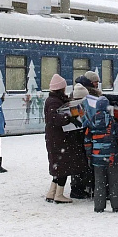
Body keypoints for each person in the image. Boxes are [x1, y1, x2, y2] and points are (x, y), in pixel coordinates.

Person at [44, 74, 88, 204]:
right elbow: (54, 118)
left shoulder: (55, 99)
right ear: (61, 88)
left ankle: (51, 193)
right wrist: (68, 118)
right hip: (59, 138)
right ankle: (59, 195)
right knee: (63, 166)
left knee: (58, 167)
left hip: (57, 138)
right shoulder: (53, 101)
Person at [84, 96, 118, 213]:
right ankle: (117, 206)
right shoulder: (112, 122)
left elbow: (87, 141)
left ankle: (99, 206)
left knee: (99, 183)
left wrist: (89, 156)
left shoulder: (91, 122)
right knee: (114, 182)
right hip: (112, 157)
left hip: (97, 158)